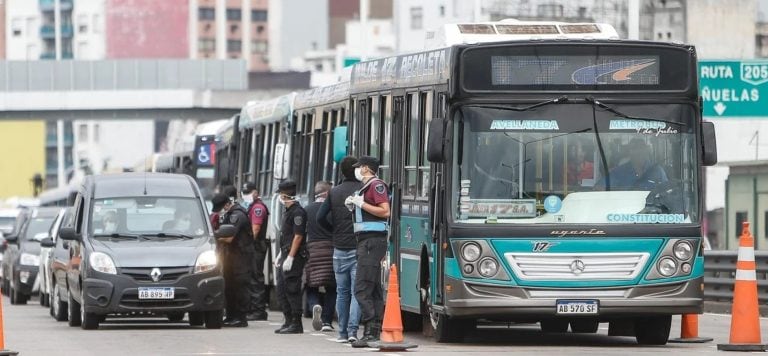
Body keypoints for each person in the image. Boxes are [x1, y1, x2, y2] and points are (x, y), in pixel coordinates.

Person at [345, 156, 390, 348]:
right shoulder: (366, 187)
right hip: (367, 241)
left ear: (366, 168)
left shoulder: (376, 185)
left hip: (372, 241)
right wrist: (354, 205)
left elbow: (385, 211)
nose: (357, 171)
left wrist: (361, 204)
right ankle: (374, 329)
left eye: (359, 167)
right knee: (372, 288)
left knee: (362, 288)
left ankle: (371, 330)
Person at [317, 156, 362, 343]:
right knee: (355, 292)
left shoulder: (334, 192)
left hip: (339, 250)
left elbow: (320, 217)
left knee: (342, 292)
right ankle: (353, 332)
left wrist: (333, 232)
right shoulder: (362, 190)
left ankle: (342, 333)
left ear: (341, 172)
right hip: (358, 246)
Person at [211, 192, 253, 327]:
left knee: (240, 287)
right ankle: (230, 316)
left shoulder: (238, 215)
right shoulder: (229, 214)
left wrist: (213, 236)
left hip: (241, 257)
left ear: (227, 204)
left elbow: (229, 237)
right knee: (229, 287)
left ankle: (241, 318)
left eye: (221, 207)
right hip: (231, 257)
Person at [274, 180, 308, 334]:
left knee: (292, 288)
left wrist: (291, 257)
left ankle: (296, 323)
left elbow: (298, 237)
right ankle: (288, 320)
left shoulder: (298, 212)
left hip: (294, 256)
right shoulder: (288, 211)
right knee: (281, 288)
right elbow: (286, 236)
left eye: (280, 194)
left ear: (284, 195)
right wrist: (282, 254)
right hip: (286, 252)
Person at [304, 181, 336, 332]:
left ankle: (314, 305)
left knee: (311, 285)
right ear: (327, 193)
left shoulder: (307, 210)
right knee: (332, 288)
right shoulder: (332, 210)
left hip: (312, 251)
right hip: (331, 250)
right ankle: (327, 322)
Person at [242, 182, 269, 321]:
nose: (246, 196)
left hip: (256, 247)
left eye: (249, 193)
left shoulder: (258, 208)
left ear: (256, 192)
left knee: (255, 278)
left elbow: (256, 229)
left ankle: (258, 310)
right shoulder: (253, 206)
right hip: (255, 247)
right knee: (253, 277)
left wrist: (247, 244)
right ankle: (255, 309)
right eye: (245, 193)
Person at [596, 138, 668, 191]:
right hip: (625, 209)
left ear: (646, 150)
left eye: (641, 148)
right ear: (629, 152)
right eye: (634, 149)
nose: (638, 152)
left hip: (653, 209)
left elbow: (667, 190)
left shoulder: (658, 171)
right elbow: (598, 187)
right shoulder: (620, 172)